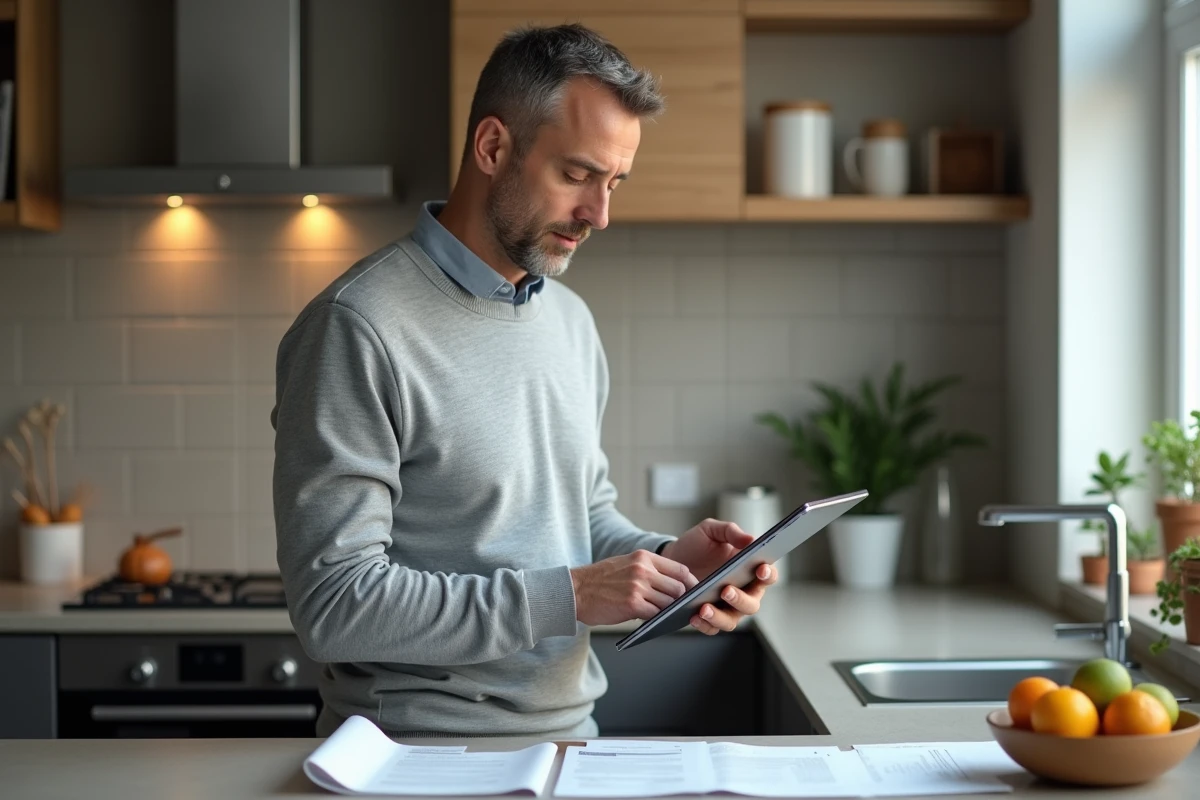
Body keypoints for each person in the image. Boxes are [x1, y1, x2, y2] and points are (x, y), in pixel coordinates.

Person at [272, 23, 778, 740]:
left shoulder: (568, 321)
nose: (598, 215)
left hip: (570, 744)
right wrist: (570, 596)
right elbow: (334, 605)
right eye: (576, 175)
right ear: (492, 147)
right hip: (415, 761)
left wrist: (671, 565)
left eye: (613, 184)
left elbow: (578, 519)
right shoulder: (357, 327)